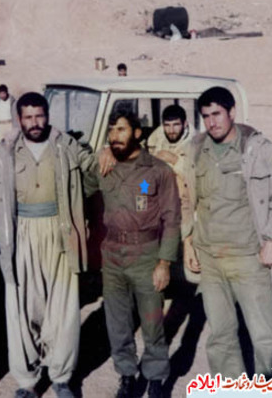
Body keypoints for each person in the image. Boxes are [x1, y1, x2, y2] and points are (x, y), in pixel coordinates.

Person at [0, 92, 97, 398]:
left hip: (61, 231)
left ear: (47, 116)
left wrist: (139, 180)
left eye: (39, 116)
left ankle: (61, 377)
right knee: (23, 308)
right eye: (28, 117)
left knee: (63, 308)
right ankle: (27, 382)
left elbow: (98, 171)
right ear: (19, 119)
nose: (35, 122)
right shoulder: (4, 152)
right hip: (21, 234)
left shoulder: (67, 146)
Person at [183, 86, 272, 378]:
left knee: (265, 338)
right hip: (210, 259)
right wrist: (188, 240)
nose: (212, 122)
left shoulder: (258, 148)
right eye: (206, 116)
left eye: (217, 114)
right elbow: (187, 197)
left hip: (248, 258)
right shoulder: (196, 148)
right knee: (220, 337)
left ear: (232, 112)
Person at [90, 109, 180, 398]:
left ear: (138, 133)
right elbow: (81, 185)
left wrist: (164, 263)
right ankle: (127, 375)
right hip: (112, 256)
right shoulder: (104, 165)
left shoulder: (158, 171)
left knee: (152, 322)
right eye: (111, 130)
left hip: (146, 256)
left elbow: (172, 218)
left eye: (122, 129)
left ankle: (155, 378)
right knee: (118, 323)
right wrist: (100, 153)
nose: (114, 136)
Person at [147, 105, 195, 270]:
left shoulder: (196, 143)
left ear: (185, 124)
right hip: (159, 197)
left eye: (176, 125)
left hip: (184, 199)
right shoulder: (155, 140)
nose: (171, 130)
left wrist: (175, 160)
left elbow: (196, 176)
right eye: (167, 125)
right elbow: (145, 175)